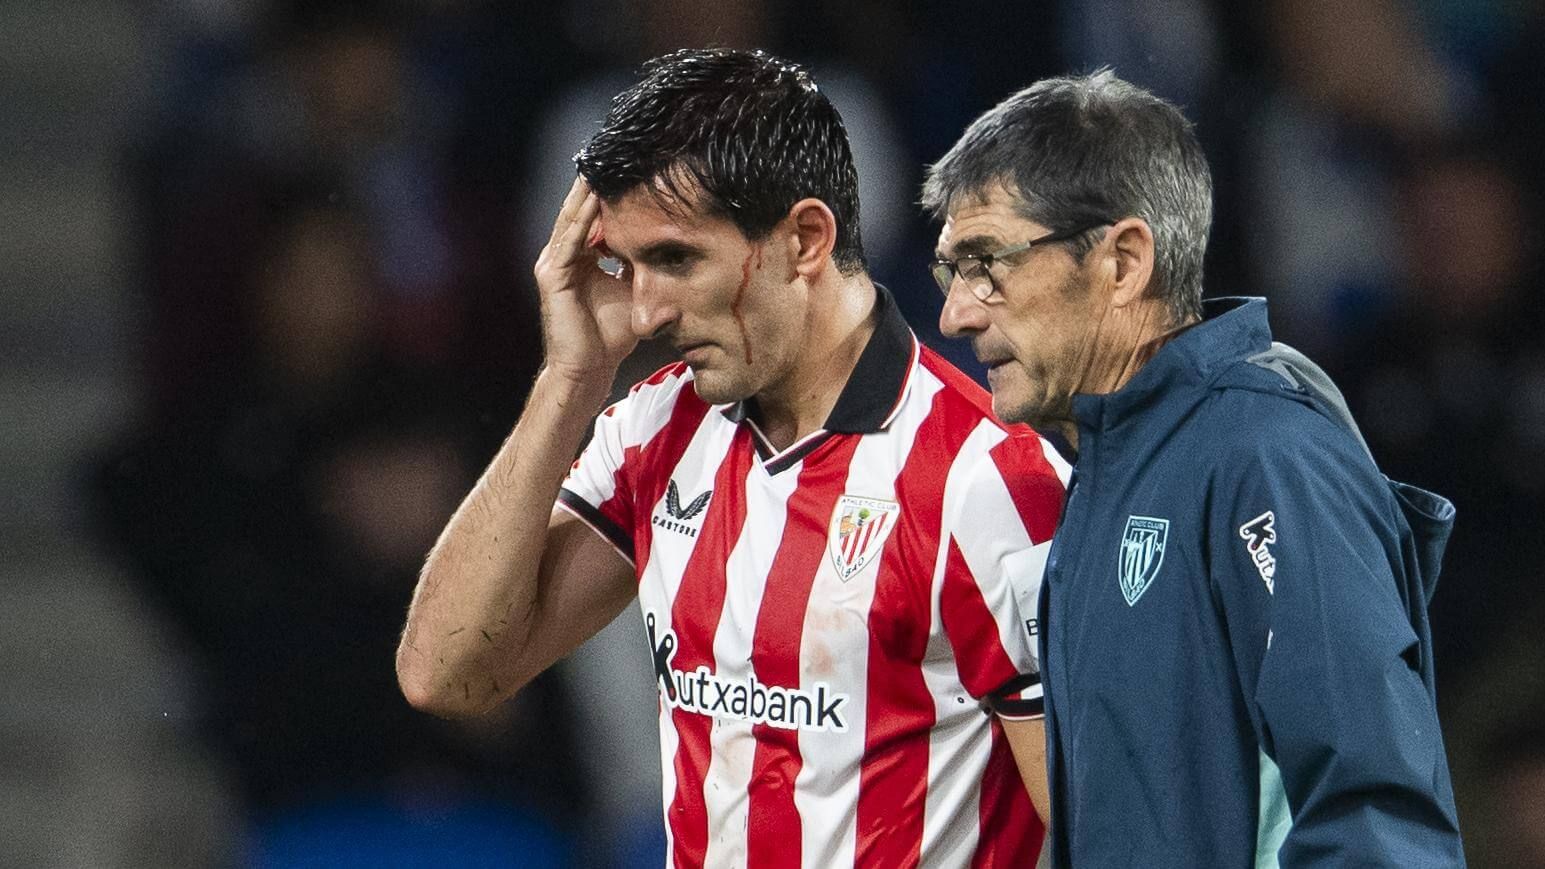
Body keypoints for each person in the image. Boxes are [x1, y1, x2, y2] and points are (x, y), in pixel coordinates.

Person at [397, 48, 1067, 866]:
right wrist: (570, 381)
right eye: (624, 264)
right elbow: (447, 673)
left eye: (676, 259)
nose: (643, 311)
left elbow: (1097, 833)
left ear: (805, 239)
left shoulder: (988, 480)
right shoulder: (651, 428)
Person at [924, 70, 1465, 866]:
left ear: (1123, 261)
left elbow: (1375, 826)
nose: (956, 312)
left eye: (986, 263)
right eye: (949, 271)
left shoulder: (1269, 459)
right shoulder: (1108, 469)